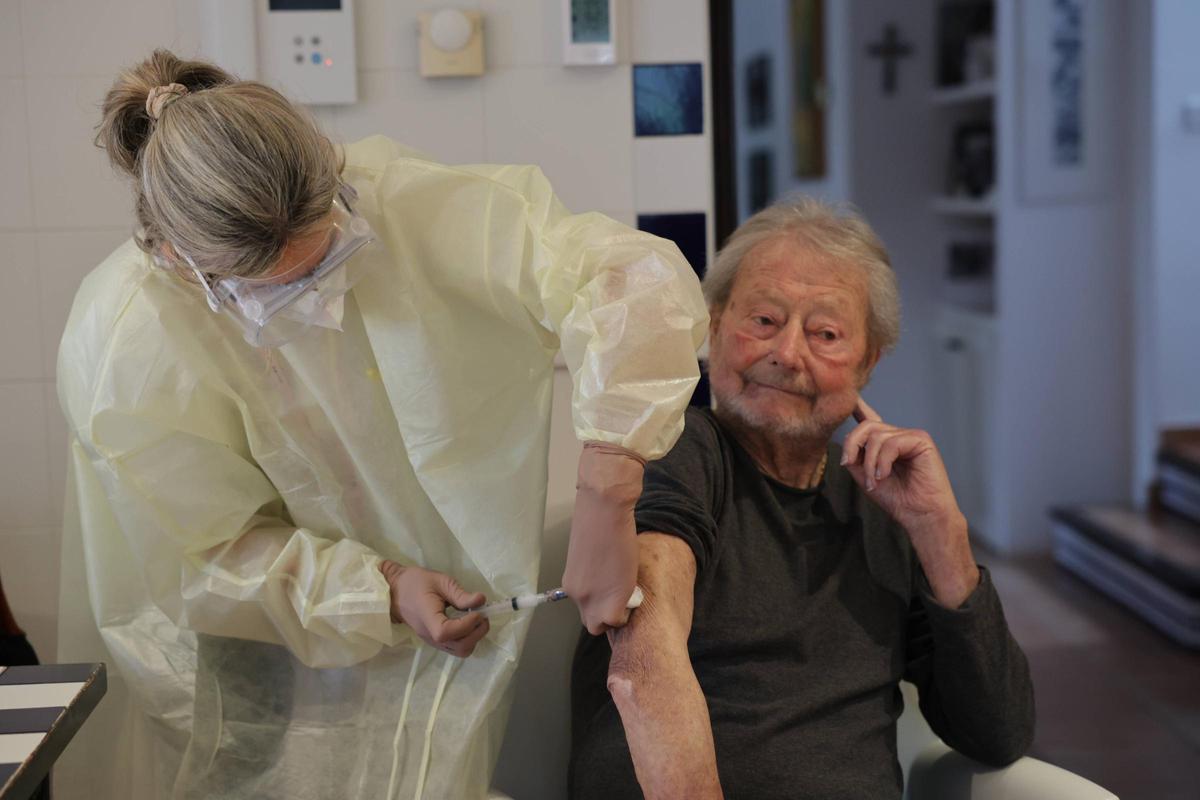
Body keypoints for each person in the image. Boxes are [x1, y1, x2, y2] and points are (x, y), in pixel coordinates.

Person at [54, 50, 707, 800]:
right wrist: (381, 589)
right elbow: (204, 558)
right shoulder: (127, 348)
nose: (321, 300)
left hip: (451, 651)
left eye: (329, 255)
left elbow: (630, 279)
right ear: (181, 262)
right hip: (264, 674)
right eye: (277, 290)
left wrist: (607, 488)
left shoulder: (404, 202)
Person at [570, 198, 1034, 799]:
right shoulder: (679, 451)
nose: (787, 353)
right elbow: (644, 661)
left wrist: (940, 532)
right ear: (715, 325)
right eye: (764, 320)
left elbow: (997, 733)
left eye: (825, 334)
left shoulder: (884, 506)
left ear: (868, 361)